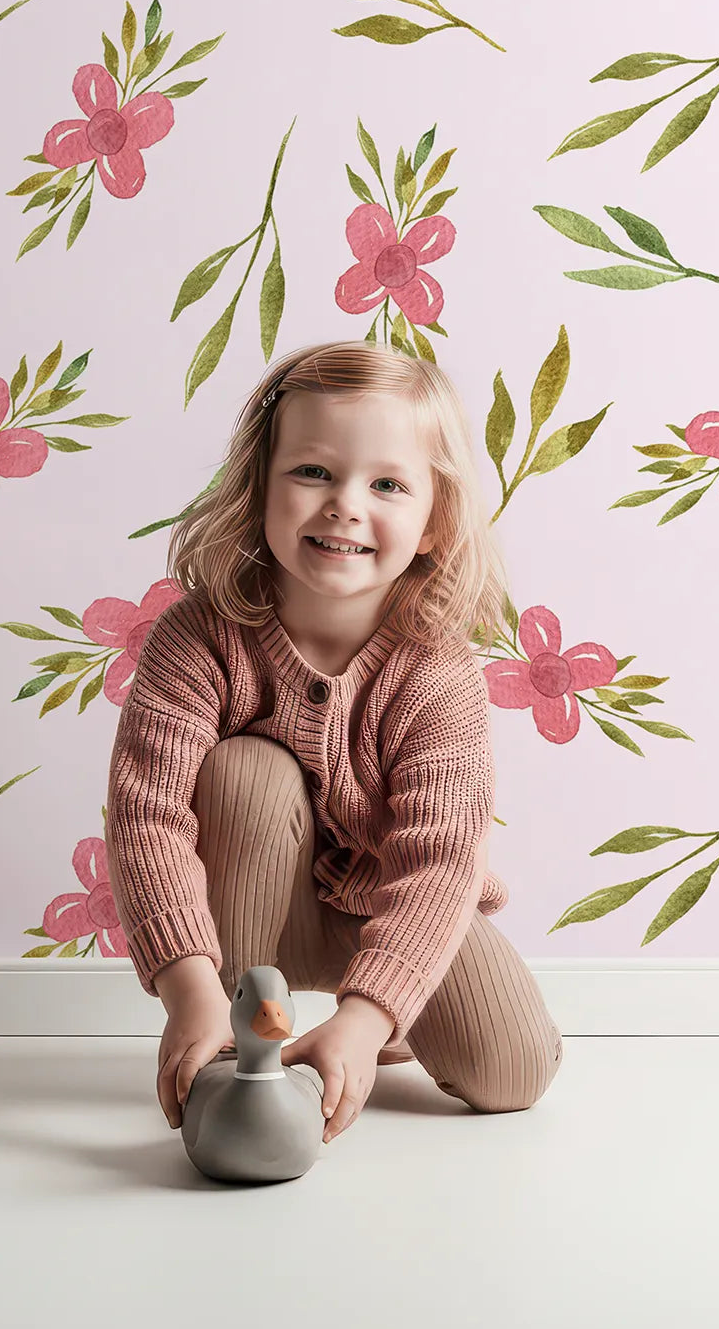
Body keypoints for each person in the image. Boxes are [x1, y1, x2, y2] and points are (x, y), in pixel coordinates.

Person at [104, 341, 563, 1146]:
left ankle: (374, 1027)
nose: (345, 505)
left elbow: (440, 860)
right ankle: (240, 1049)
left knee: (514, 1073)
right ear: (259, 491)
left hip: (388, 909)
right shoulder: (200, 637)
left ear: (433, 522)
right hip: (252, 902)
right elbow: (148, 817)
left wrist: (369, 1012)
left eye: (386, 484)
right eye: (313, 472)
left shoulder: (436, 671)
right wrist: (191, 989)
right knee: (248, 770)